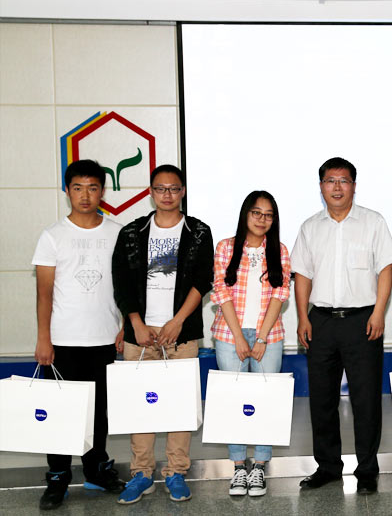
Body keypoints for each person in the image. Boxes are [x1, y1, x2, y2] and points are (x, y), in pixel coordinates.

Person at [291, 157, 392, 495]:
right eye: (330, 181)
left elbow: (385, 270)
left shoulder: (373, 222)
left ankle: (366, 470)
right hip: (321, 322)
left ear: (354, 185)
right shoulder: (310, 227)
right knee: (322, 400)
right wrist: (303, 317)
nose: (337, 187)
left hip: (363, 321)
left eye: (344, 181)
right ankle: (327, 467)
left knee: (366, 400)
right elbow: (302, 275)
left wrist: (379, 312)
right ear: (321, 186)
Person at [112, 164, 214, 504]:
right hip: (140, 333)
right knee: (140, 405)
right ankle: (142, 473)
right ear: (151, 192)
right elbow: (121, 282)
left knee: (179, 406)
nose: (167, 194)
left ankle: (176, 472)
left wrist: (178, 321)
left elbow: (203, 279)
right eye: (160, 188)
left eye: (173, 188)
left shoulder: (198, 232)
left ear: (182, 191)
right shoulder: (132, 232)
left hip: (180, 332)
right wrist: (136, 323)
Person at [31, 160, 126, 510]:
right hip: (63, 341)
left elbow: (125, 287)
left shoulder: (117, 232)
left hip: (104, 338)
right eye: (77, 188)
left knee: (99, 413)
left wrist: (124, 327)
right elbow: (44, 293)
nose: (85, 195)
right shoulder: (52, 236)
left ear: (103, 191)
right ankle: (57, 478)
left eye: (92, 188)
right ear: (67, 190)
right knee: (60, 413)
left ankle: (96, 471)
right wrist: (44, 338)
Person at [210, 190, 291, 497]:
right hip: (229, 335)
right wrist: (239, 336)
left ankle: (259, 466)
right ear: (246, 214)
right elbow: (221, 292)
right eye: (256, 213)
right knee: (235, 400)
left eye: (268, 215)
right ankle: (238, 467)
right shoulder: (225, 247)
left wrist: (260, 337)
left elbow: (280, 294)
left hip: (268, 336)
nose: (262, 219)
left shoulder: (279, 250)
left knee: (266, 399)